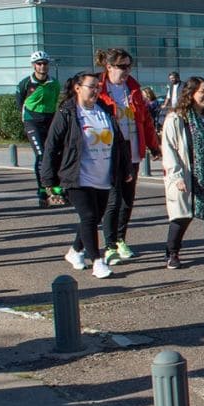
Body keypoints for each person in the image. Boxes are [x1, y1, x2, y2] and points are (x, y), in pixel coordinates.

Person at [41, 71, 131, 280]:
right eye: (91, 86)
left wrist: (125, 168)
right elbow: (52, 146)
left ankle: (74, 251)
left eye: (98, 86)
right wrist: (48, 181)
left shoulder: (104, 111)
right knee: (89, 216)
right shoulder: (68, 112)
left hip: (103, 175)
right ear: (78, 88)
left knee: (94, 217)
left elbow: (118, 142)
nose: (96, 90)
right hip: (77, 176)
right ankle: (97, 262)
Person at [95, 47, 160, 265]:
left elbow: (145, 121)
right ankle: (109, 245)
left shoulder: (133, 88)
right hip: (110, 153)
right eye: (122, 67)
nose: (126, 71)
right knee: (112, 201)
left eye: (129, 66)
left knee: (127, 201)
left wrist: (154, 145)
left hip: (132, 152)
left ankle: (121, 239)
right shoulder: (100, 89)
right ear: (109, 66)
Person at [162, 76, 204, 273]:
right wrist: (176, 176)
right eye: (202, 91)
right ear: (190, 94)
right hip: (190, 176)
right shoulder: (177, 119)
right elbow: (169, 149)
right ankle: (172, 252)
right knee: (183, 217)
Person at [16, 50, 61, 208]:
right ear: (34, 66)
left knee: (54, 154)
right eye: (39, 64)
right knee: (41, 155)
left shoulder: (54, 83)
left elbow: (55, 100)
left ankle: (55, 188)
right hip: (32, 121)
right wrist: (26, 119)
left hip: (49, 119)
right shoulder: (26, 83)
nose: (42, 66)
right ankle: (42, 190)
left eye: (45, 64)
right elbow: (20, 102)